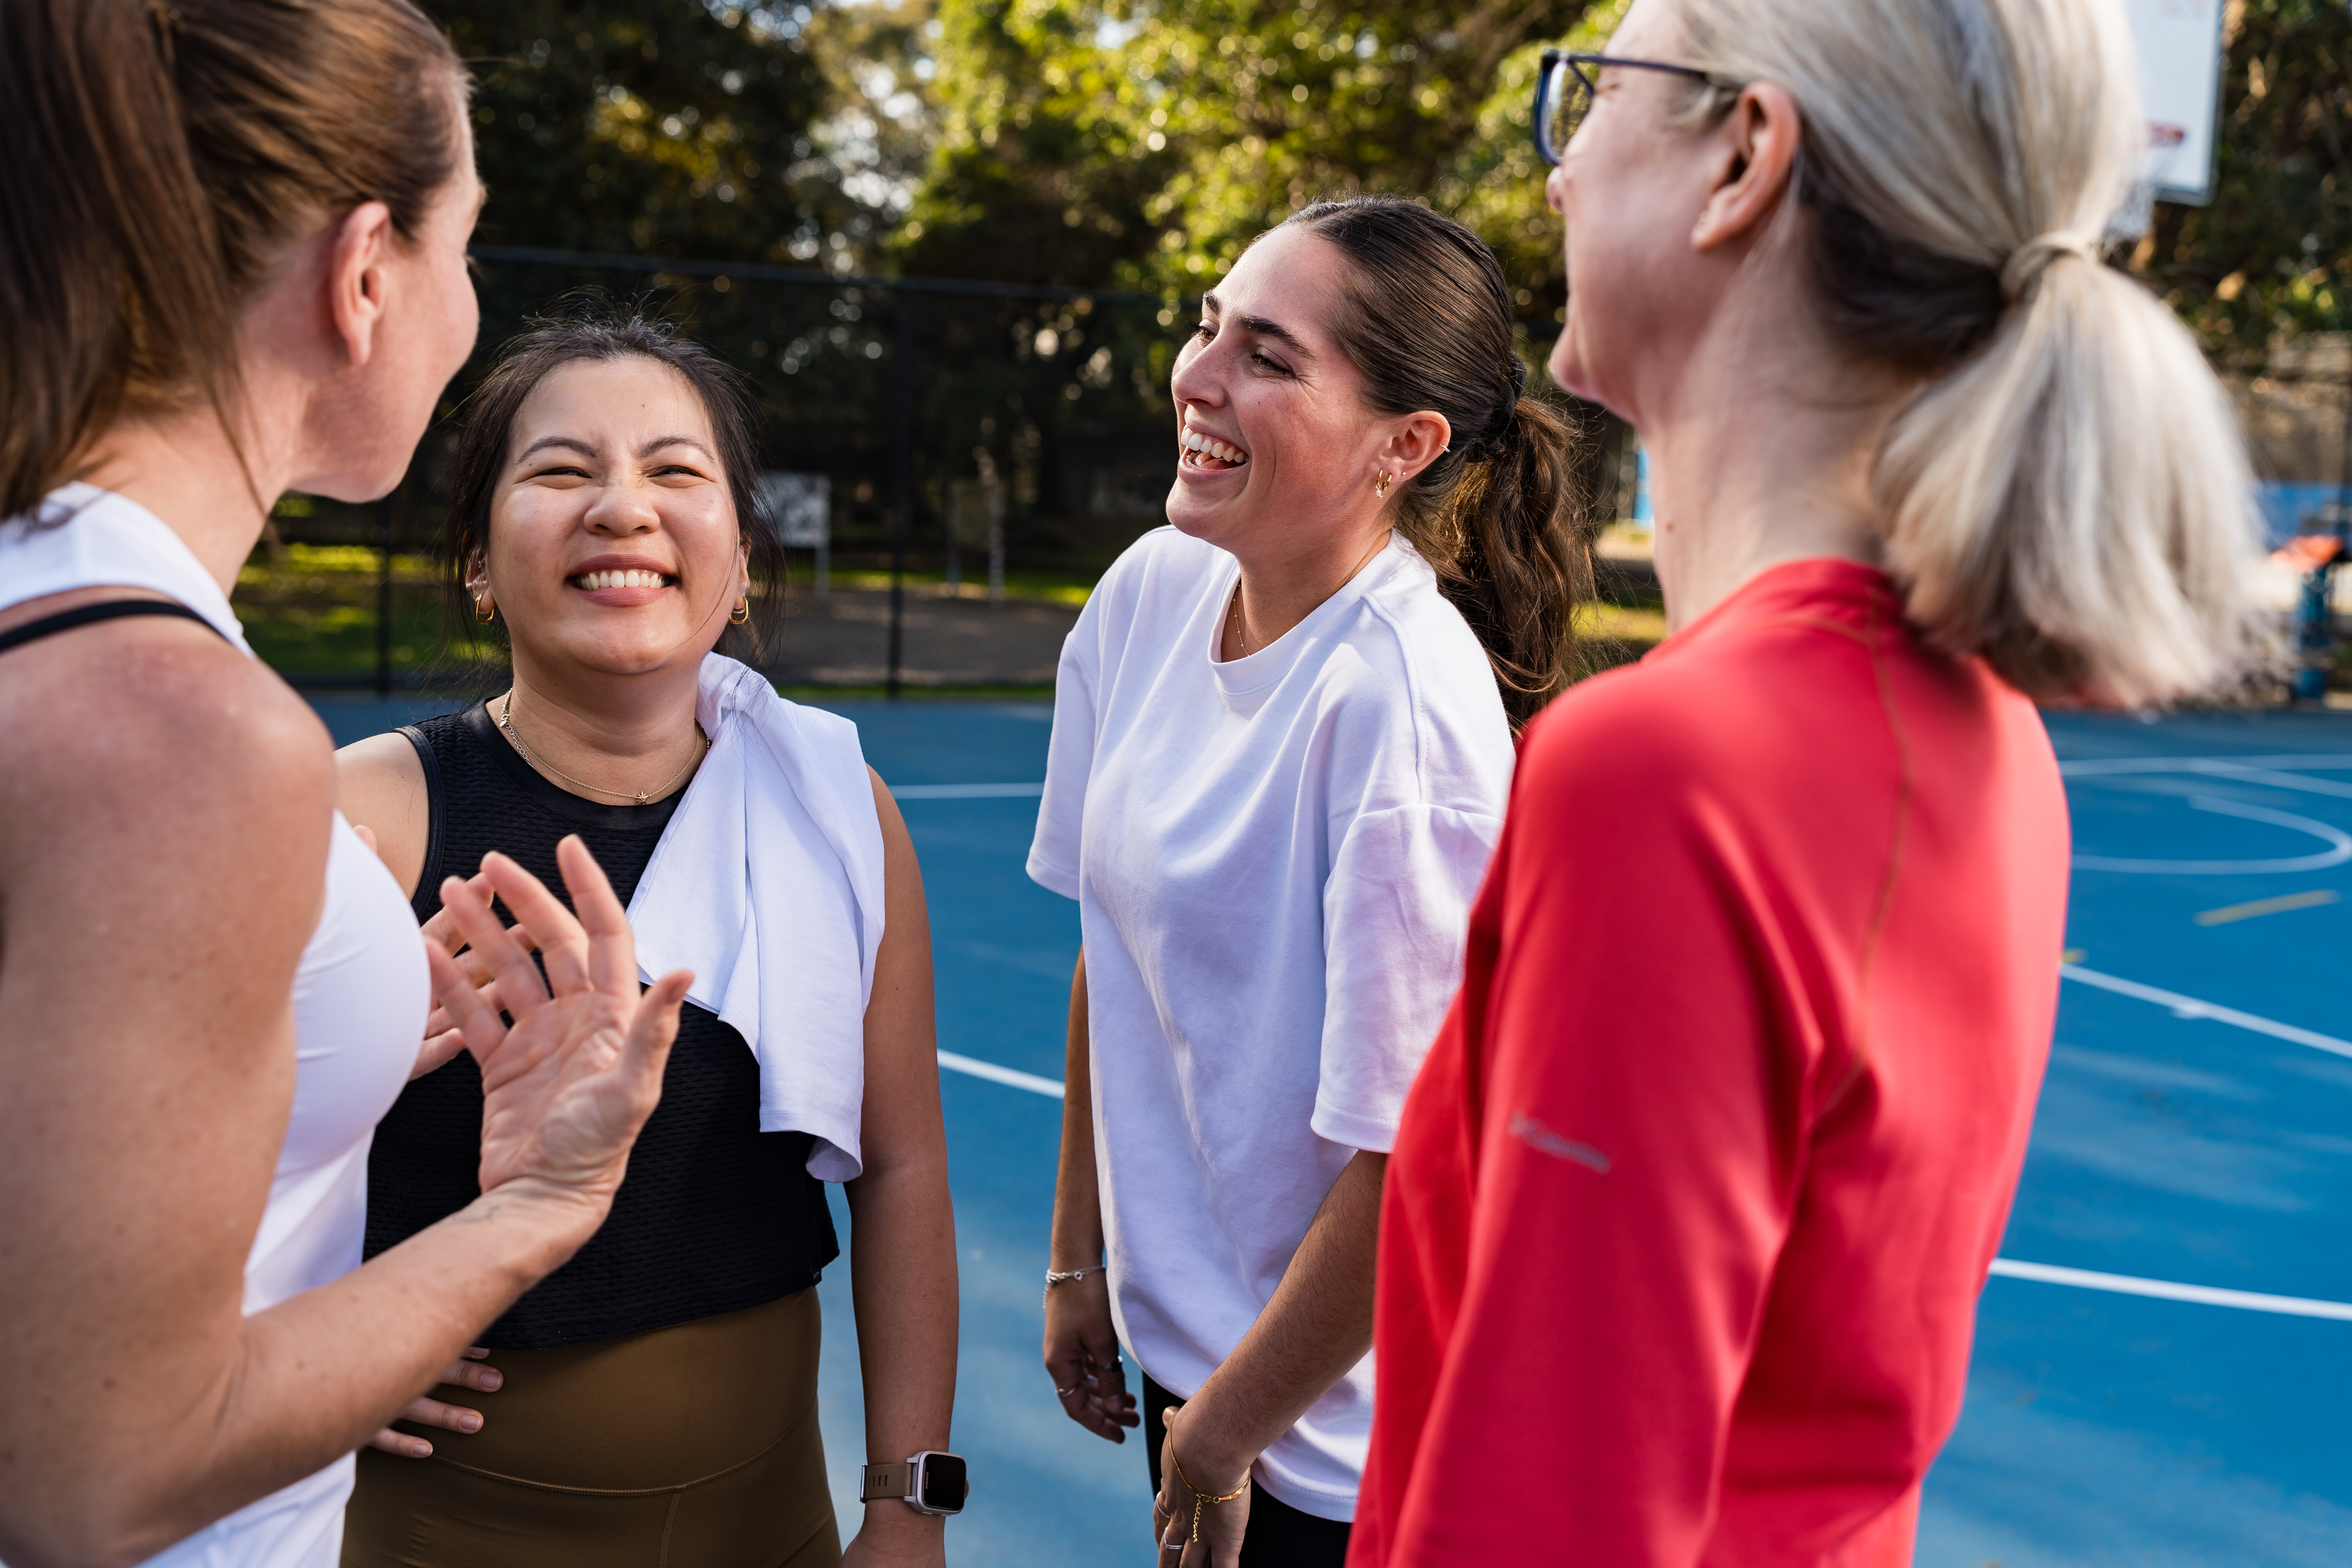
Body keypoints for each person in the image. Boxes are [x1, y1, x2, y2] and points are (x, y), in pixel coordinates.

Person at [1350, 0, 2264, 1562]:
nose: (1558, 174)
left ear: (1743, 160)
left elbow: (1548, 1517)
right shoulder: (1983, 734)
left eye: (1597, 95)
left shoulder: (1670, 773)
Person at [0, 4, 697, 1566]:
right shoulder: (185, 731)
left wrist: (316, 1031)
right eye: (466, 247)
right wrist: (539, 1204)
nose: (467, 312)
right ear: (365, 272)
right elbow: (92, 1474)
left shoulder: (50, 608)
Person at [333, 308, 959, 1568]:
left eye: (676, 472)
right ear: (475, 556)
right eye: (561, 470)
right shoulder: (364, 823)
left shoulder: (839, 811)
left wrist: (904, 1499)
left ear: (736, 563)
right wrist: (303, 1341)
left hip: (770, 1525)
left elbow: (900, 1171)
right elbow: (153, 1178)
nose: (623, 510)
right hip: (428, 1533)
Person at [1030, 196, 1596, 1567]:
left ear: (1404, 447)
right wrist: (1079, 1254)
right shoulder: (1154, 591)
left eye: (1270, 357)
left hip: (1336, 1439)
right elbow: (1118, 948)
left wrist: (1228, 1432)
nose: (1200, 374)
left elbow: (1416, 1162)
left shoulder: (1400, 713)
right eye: (1211, 324)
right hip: (1206, 1363)